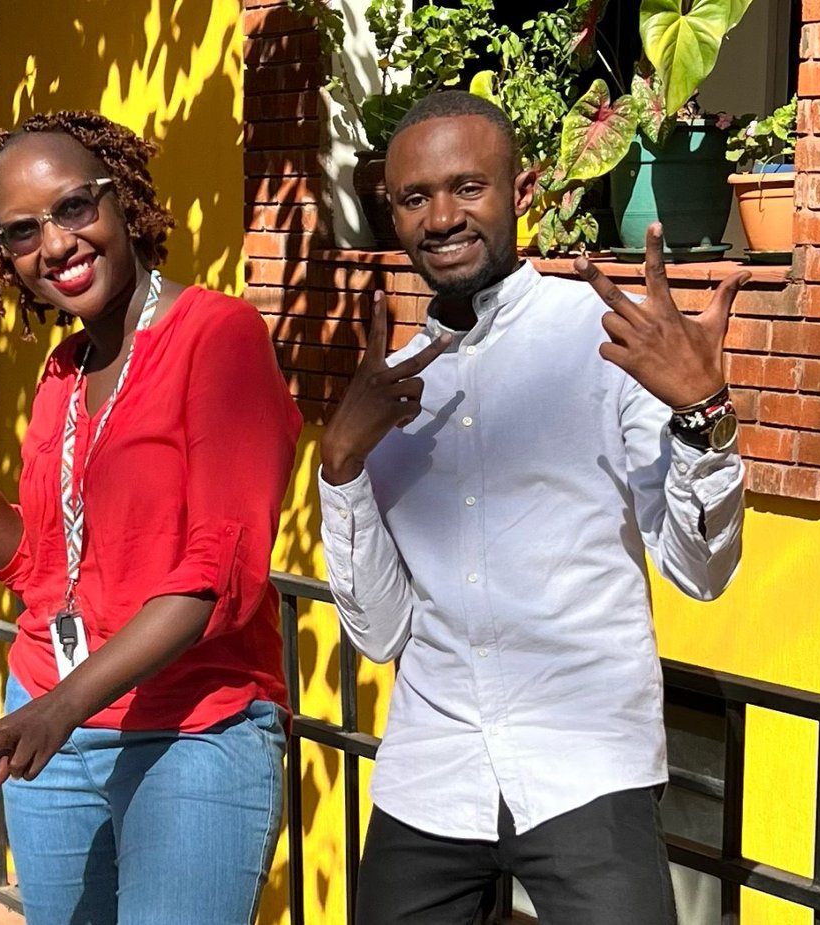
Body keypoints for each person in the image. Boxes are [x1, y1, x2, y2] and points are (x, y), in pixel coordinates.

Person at [317, 90, 748, 924]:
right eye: (415, 197)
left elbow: (701, 570)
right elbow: (380, 634)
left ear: (521, 192)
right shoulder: (390, 393)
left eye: (467, 187)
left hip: (586, 767)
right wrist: (341, 469)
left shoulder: (608, 342)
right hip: (430, 775)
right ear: (392, 213)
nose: (442, 217)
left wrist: (705, 415)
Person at [0, 110, 301, 925]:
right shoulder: (64, 370)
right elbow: (43, 571)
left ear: (122, 200)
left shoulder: (218, 336)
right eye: (23, 230)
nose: (57, 243)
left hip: (191, 730)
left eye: (74, 206)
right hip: (53, 726)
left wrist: (64, 705)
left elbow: (218, 576)